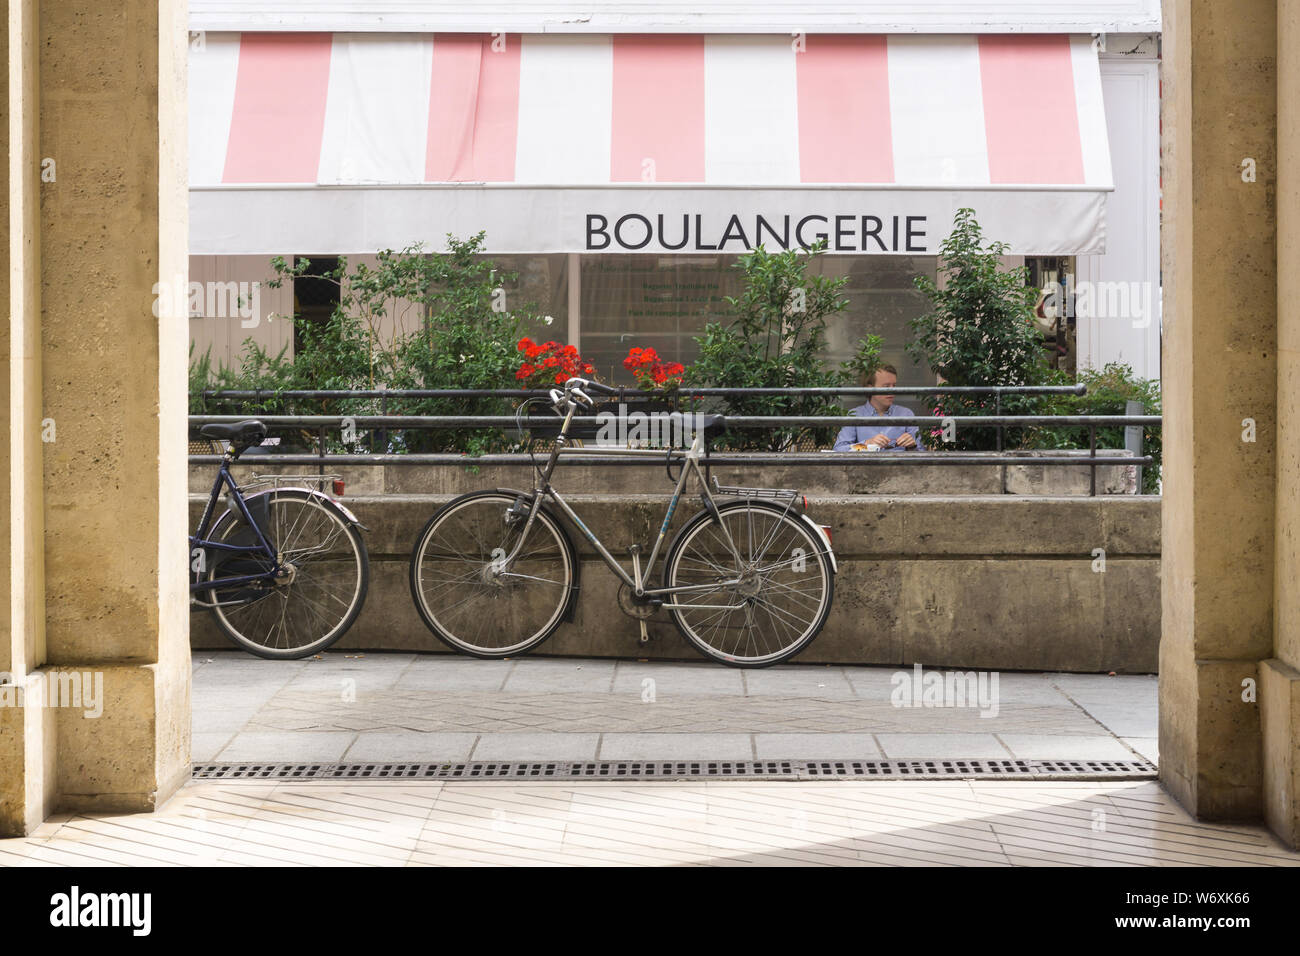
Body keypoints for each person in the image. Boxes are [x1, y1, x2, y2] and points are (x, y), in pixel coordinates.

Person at [833, 365, 924, 451]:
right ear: (870, 388)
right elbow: (838, 449)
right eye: (886, 386)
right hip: (867, 467)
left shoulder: (906, 414)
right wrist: (866, 444)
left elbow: (923, 455)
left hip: (900, 466)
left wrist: (912, 446)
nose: (892, 390)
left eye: (894, 385)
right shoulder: (855, 415)